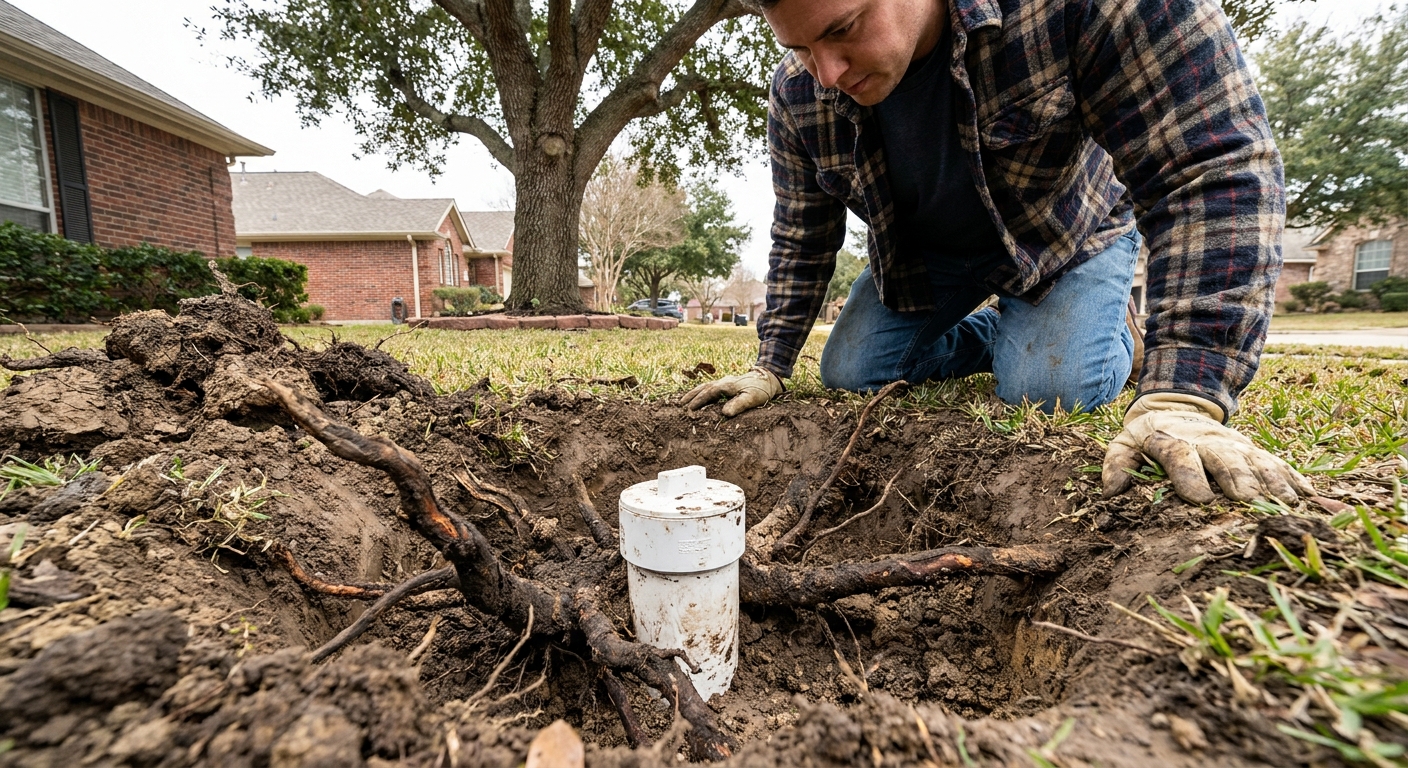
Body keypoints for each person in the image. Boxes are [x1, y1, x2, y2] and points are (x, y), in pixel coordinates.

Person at [683, 0, 1313, 506]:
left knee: (1046, 389)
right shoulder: (801, 92)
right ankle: (996, 334)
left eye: (845, 29)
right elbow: (802, 229)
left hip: (1065, 237)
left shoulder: (1067, 10)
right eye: (798, 48)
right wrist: (771, 363)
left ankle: (1115, 329)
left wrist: (1185, 396)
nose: (828, 73)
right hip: (930, 256)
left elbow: (1208, 163)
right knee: (849, 372)